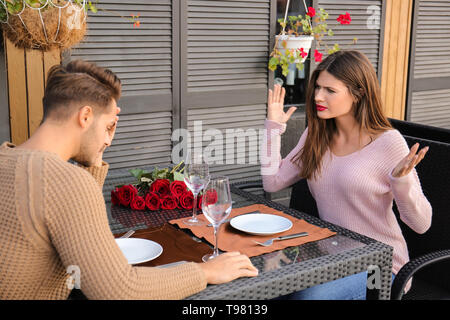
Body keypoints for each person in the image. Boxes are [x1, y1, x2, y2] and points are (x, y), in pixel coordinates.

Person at [0, 60, 258, 300]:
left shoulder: (8, 156)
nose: (109, 140)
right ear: (85, 116)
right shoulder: (64, 181)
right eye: (109, 126)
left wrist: (94, 153)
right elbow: (118, 289)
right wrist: (207, 273)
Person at [261, 50, 432, 299]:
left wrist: (401, 181)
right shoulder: (316, 136)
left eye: (330, 90)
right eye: (317, 87)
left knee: (307, 298)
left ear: (358, 93)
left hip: (379, 267)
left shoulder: (388, 142)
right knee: (268, 287)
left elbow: (421, 224)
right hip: (329, 259)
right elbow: (273, 180)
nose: (318, 96)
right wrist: (273, 128)